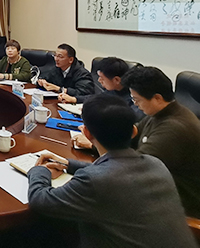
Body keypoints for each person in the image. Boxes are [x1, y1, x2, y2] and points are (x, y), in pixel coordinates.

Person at [28, 94, 196, 248]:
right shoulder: (156, 164)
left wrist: (39, 171)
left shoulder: (95, 180)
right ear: (134, 131)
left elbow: (40, 200)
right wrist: (67, 164)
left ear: (86, 133)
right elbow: (117, 171)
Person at [121, 66, 200, 218]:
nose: (135, 104)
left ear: (157, 98)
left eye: (137, 99)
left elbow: (135, 168)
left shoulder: (174, 128)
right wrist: (96, 141)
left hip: (181, 210)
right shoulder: (160, 114)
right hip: (158, 194)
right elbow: (132, 134)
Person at [59, 57, 144, 120]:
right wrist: (74, 99)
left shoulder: (134, 95)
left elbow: (133, 116)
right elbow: (96, 98)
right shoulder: (112, 90)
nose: (99, 80)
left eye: (102, 78)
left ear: (116, 80)